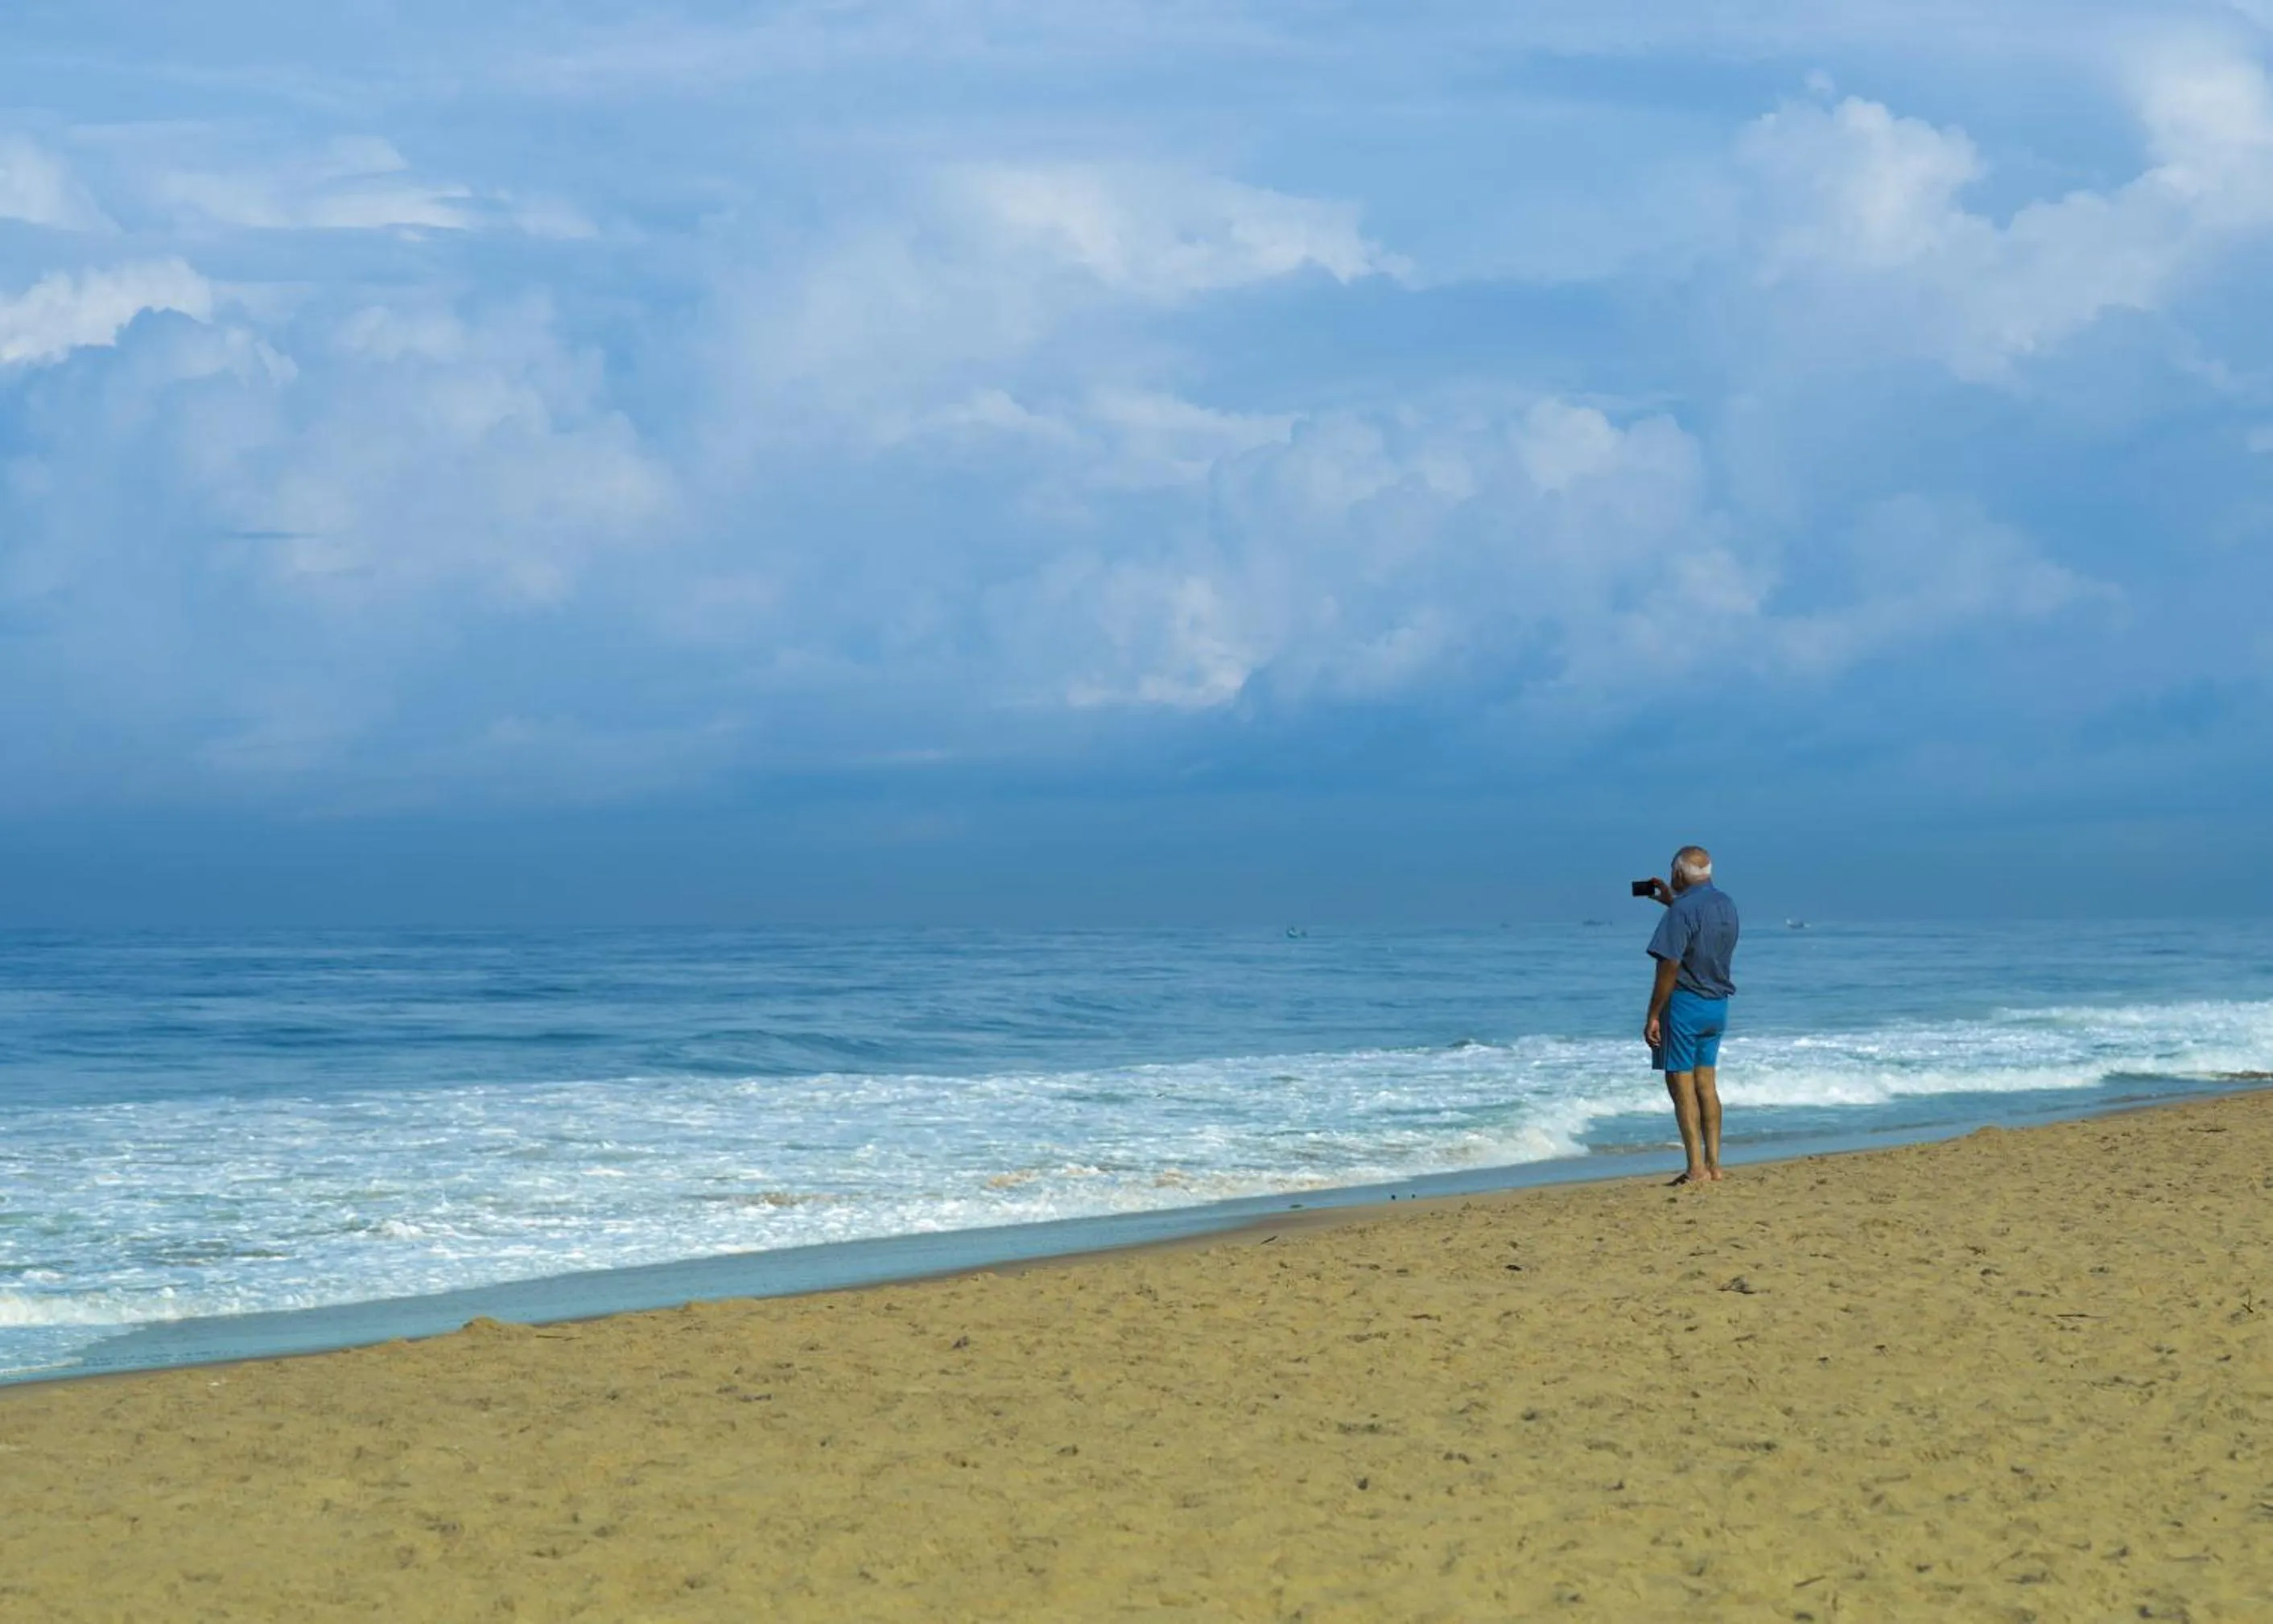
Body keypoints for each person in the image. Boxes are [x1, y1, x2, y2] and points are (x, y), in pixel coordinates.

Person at [1640, 846, 1739, 1186]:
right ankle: (1715, 1165)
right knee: (1706, 1085)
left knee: (1681, 1085)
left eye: (1673, 871)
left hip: (1685, 1004)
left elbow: (1670, 963)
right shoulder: (1725, 904)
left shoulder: (1682, 911)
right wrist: (1673, 903)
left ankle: (1696, 1168)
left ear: (1679, 873)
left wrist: (1653, 1013)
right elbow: (1702, 933)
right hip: (1717, 1003)